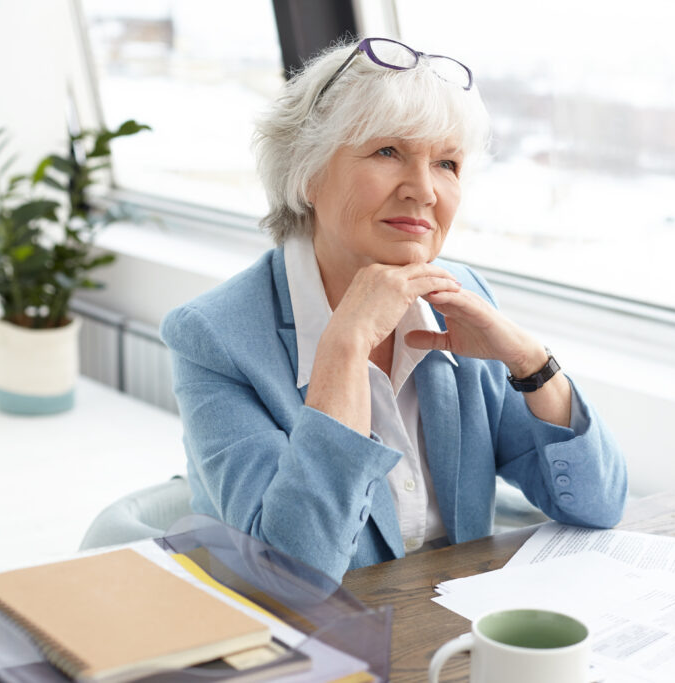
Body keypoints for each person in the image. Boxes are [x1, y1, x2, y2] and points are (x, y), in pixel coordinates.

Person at [160, 37, 627, 583]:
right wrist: (343, 349)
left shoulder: (461, 295)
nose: (424, 191)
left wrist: (531, 362)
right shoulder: (214, 337)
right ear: (307, 172)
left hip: (450, 625)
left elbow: (597, 505)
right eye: (388, 152)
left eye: (447, 163)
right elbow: (293, 575)